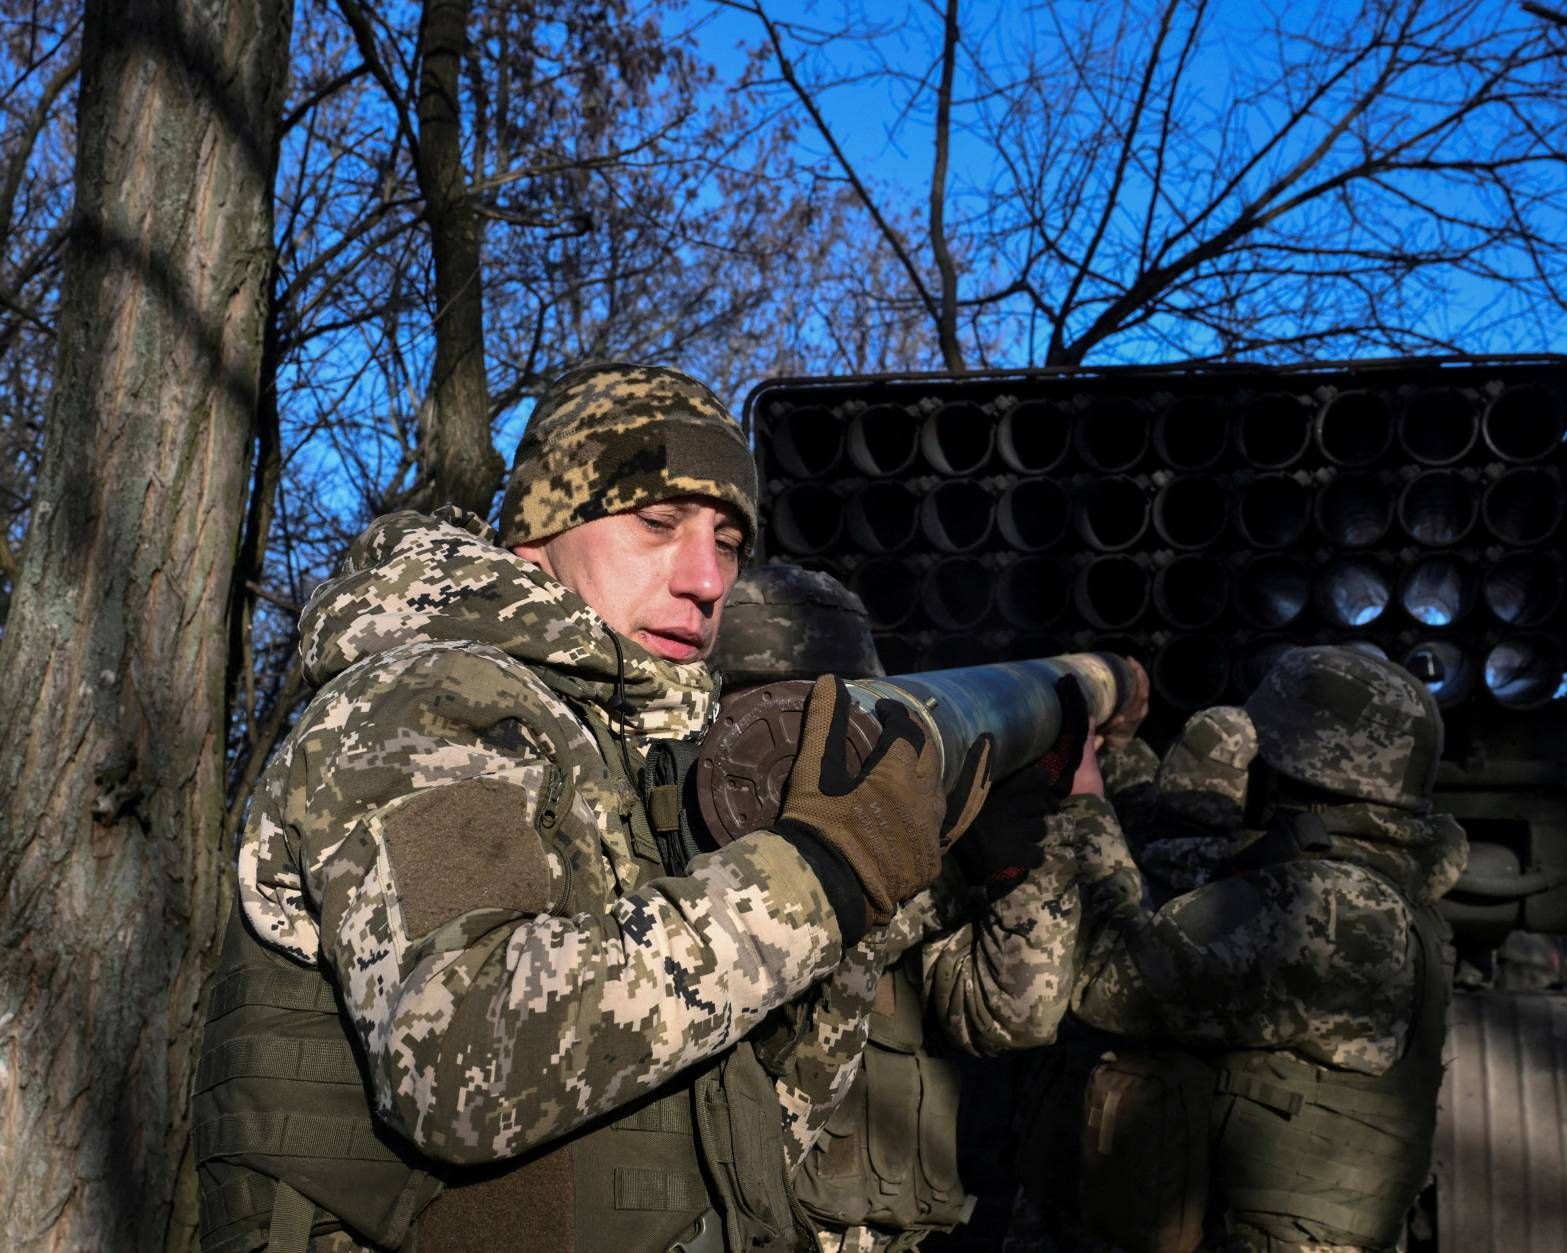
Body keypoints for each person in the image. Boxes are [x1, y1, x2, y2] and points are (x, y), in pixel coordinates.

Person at [195, 364, 989, 1253]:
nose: (708, 579)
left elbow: (748, 1147)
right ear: (542, 529)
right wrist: (817, 874)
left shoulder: (632, 759)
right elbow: (464, 1062)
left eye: (729, 541)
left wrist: (866, 913)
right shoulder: (426, 698)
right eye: (658, 522)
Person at [1013, 646, 1468, 1253]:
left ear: (1298, 771)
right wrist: (1120, 751)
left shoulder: (1325, 908)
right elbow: (1195, 870)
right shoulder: (1374, 893)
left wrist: (1082, 806)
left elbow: (1106, 981)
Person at [707, 565, 1098, 1253]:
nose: (804, 748)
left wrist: (1025, 857)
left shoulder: (911, 834)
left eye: (836, 714)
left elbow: (1013, 1013)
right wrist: (934, 881)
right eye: (780, 715)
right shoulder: (685, 861)